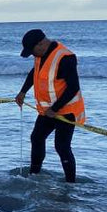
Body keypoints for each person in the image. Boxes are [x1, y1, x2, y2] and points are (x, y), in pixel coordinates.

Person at [14, 29, 85, 183]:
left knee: (61, 146)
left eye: (32, 51)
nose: (33, 55)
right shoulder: (40, 55)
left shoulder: (65, 57)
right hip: (48, 110)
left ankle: (70, 183)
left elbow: (73, 88)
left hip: (66, 110)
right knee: (36, 138)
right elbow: (34, 72)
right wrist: (23, 92)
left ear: (41, 43)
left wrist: (55, 108)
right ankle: (34, 175)